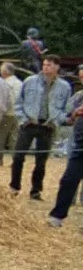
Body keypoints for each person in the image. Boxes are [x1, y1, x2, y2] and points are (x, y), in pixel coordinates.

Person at [11, 55, 71, 200]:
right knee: (18, 156)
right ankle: (14, 186)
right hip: (29, 123)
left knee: (41, 160)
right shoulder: (30, 81)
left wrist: (56, 121)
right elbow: (18, 102)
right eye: (44, 64)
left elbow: (66, 109)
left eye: (49, 65)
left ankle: (36, 190)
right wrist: (23, 119)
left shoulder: (64, 87)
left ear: (57, 67)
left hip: (47, 125)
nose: (45, 67)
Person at [47, 85, 83, 229]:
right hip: (79, 147)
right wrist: (75, 113)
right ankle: (57, 216)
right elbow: (67, 117)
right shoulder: (79, 95)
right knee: (68, 180)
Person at [0, 62, 22, 157]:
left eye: (1, 70)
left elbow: (3, 99)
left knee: (0, 136)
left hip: (7, 113)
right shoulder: (20, 83)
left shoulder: (4, 83)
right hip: (18, 113)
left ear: (5, 72)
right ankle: (15, 159)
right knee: (15, 137)